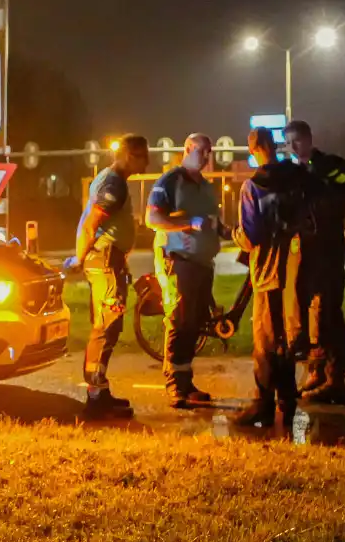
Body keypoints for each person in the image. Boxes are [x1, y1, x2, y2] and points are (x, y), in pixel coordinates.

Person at [230, 129, 318, 427]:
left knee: (267, 339)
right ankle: (287, 397)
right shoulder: (298, 177)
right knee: (290, 334)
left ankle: (263, 403)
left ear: (253, 149)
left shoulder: (253, 186)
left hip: (268, 271)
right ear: (275, 146)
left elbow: (251, 236)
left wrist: (234, 237)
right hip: (299, 268)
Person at [284, 120, 345, 405]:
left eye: (297, 140)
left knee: (328, 312)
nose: (293, 147)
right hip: (304, 252)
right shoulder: (293, 173)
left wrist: (329, 182)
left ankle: (336, 379)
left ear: (310, 139)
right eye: (289, 143)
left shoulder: (331, 166)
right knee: (306, 313)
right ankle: (316, 371)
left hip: (330, 249)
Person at [65, 133, 150, 419]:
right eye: (142, 155)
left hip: (109, 261)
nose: (147, 160)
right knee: (107, 325)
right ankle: (95, 397)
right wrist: (79, 258)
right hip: (105, 261)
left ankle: (100, 391)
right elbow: (91, 225)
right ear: (128, 154)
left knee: (108, 325)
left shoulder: (111, 179)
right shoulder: (114, 184)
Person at [145, 133, 227, 408]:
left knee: (194, 325)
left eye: (209, 152)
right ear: (188, 149)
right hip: (177, 260)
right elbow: (152, 218)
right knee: (180, 321)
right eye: (202, 151)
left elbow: (214, 222)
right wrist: (187, 223)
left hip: (202, 262)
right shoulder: (170, 181)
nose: (206, 156)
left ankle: (186, 382)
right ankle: (174, 385)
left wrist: (230, 232)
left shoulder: (206, 187)